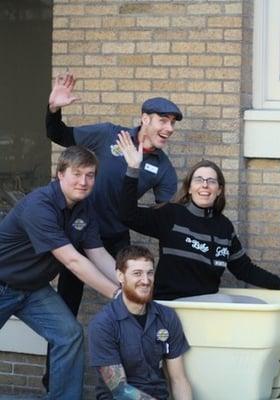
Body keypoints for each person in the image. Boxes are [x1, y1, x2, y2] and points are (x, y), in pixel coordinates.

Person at [44, 72, 182, 388]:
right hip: (78, 237)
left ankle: (130, 386)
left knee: (132, 307)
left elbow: (161, 221)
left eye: (173, 122)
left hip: (116, 241)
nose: (169, 128)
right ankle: (53, 384)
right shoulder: (109, 135)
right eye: (163, 120)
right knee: (64, 314)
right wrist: (53, 109)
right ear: (144, 119)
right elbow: (59, 134)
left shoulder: (162, 168)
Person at [115, 132, 280, 301]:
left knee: (252, 305)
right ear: (190, 188)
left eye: (211, 181)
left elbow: (244, 269)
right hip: (171, 305)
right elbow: (127, 215)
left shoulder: (224, 228)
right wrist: (133, 169)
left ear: (219, 190)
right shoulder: (171, 215)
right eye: (199, 180)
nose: (205, 185)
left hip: (208, 306)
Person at [0, 146, 120, 399]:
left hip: (33, 290)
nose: (84, 182)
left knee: (69, 334)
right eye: (77, 174)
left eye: (90, 175)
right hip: (2, 284)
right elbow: (72, 261)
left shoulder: (84, 209)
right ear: (60, 174)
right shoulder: (39, 205)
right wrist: (118, 295)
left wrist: (126, 284)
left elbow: (97, 253)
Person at [88, 245, 192, 400]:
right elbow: (120, 391)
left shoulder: (166, 317)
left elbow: (179, 379)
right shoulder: (103, 324)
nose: (145, 281)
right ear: (120, 276)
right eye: (137, 273)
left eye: (150, 273)